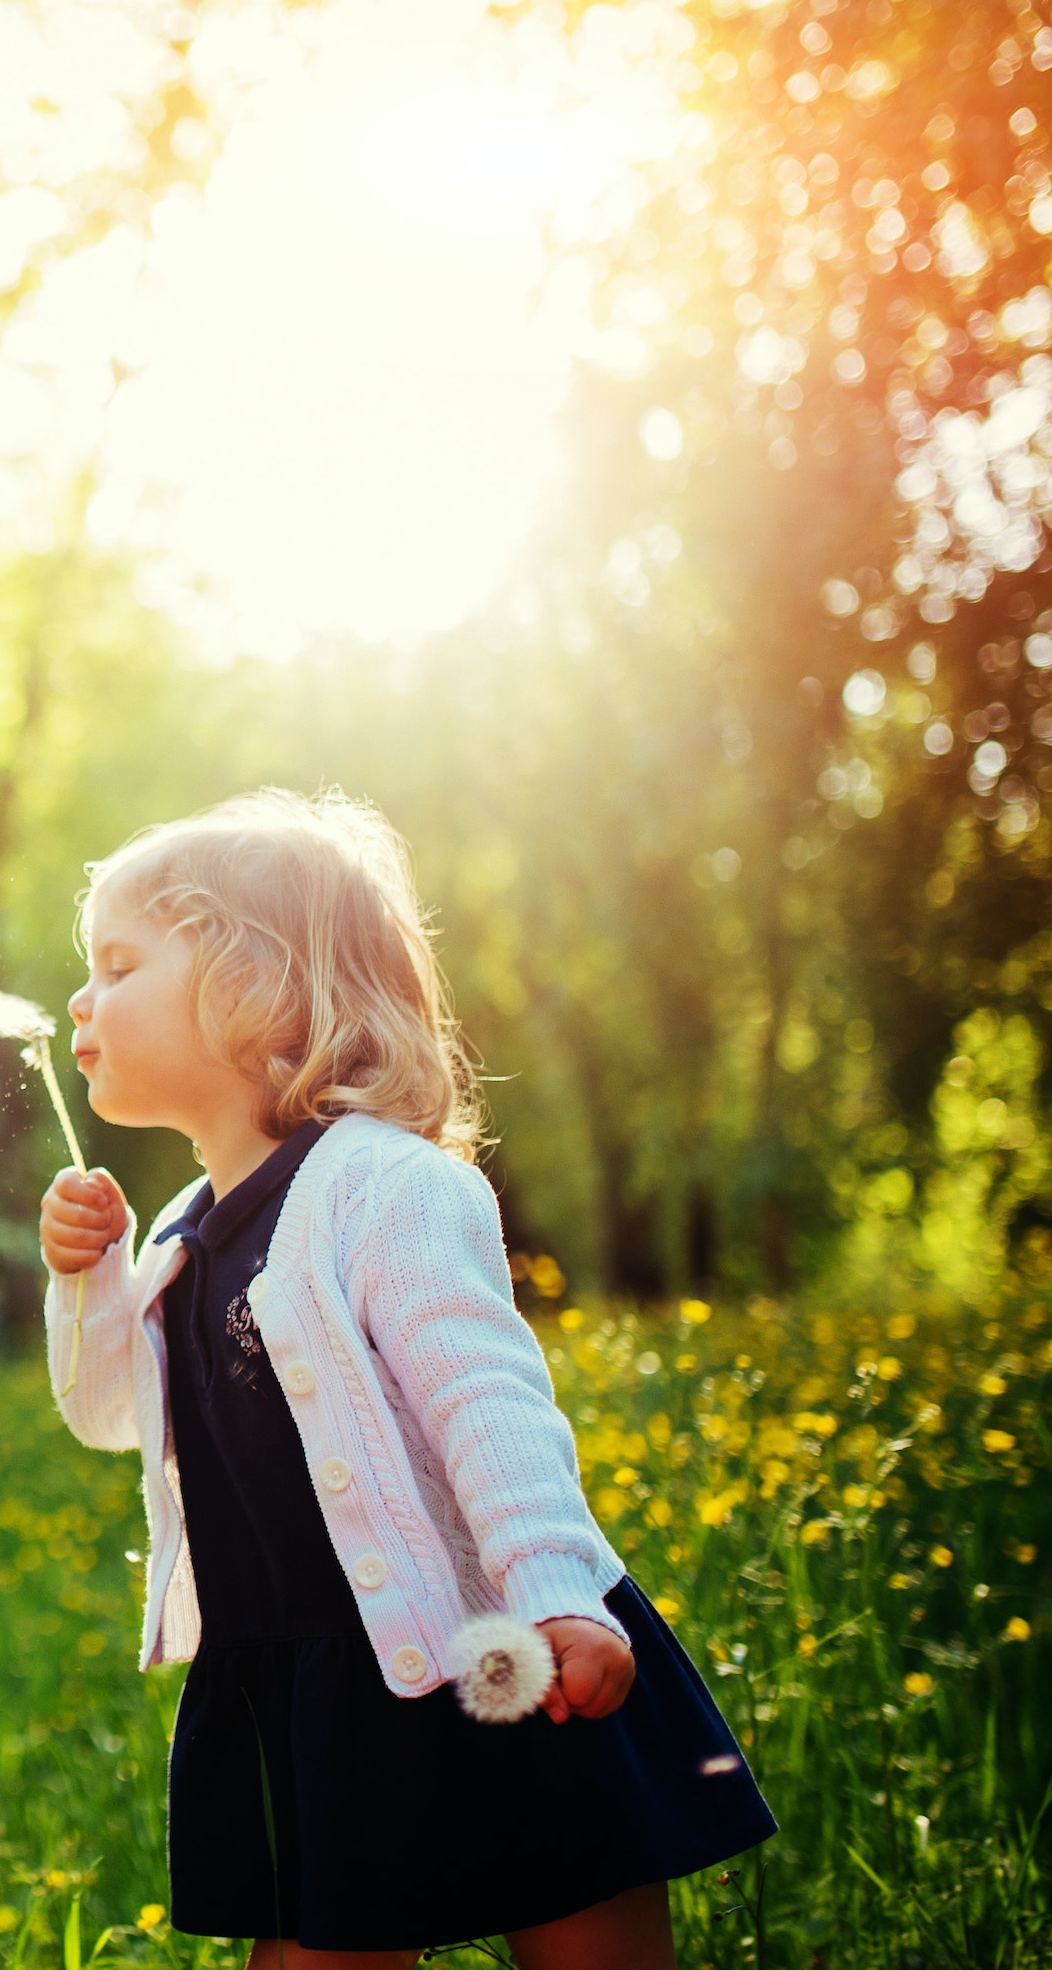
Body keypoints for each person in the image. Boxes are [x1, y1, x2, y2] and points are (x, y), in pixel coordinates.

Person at [38, 788, 777, 1970]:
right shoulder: (178, 1232)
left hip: (500, 1639)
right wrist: (86, 1280)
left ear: (256, 986)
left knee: (580, 1921)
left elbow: (485, 1400)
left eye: (119, 963)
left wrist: (552, 1587)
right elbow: (110, 1411)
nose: (80, 998)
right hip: (315, 1683)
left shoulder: (384, 1188)